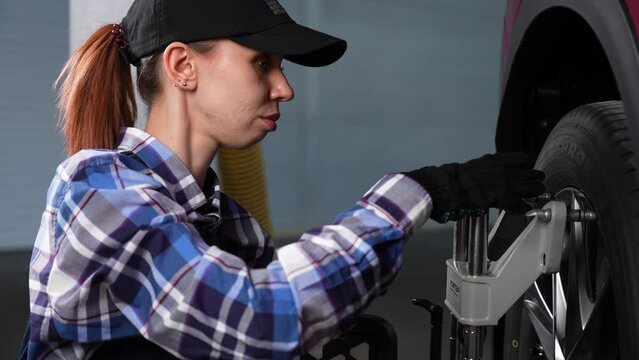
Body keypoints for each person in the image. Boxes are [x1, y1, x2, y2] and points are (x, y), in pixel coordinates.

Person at [22, 0, 545, 359]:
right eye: (263, 63)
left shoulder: (230, 227)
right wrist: (418, 192)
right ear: (183, 66)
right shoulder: (99, 193)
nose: (285, 87)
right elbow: (259, 320)